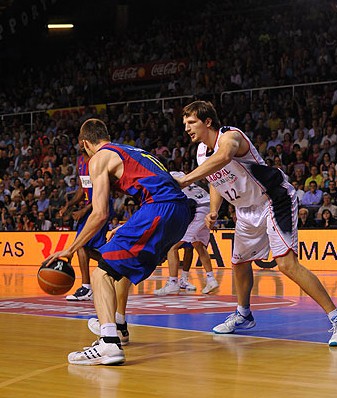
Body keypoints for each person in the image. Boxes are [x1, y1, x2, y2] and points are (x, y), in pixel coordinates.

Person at [175, 100, 337, 347]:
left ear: (207, 122)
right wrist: (215, 210)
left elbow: (224, 157)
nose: (186, 128)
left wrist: (185, 180)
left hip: (273, 199)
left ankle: (335, 316)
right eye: (184, 123)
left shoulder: (230, 137)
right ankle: (243, 314)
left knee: (286, 264)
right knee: (239, 263)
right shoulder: (200, 153)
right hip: (245, 209)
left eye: (191, 122)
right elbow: (214, 178)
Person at [44, 118, 191, 365]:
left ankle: (108, 343)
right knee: (119, 268)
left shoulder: (98, 158)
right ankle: (119, 326)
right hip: (180, 213)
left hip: (160, 208)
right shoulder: (132, 150)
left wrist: (70, 250)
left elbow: (100, 213)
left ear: (85, 143)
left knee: (102, 272)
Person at [154, 170, 219, 296]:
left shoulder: (165, 179)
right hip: (210, 206)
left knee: (172, 247)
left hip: (199, 209)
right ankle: (211, 279)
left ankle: (173, 283)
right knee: (198, 244)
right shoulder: (180, 174)